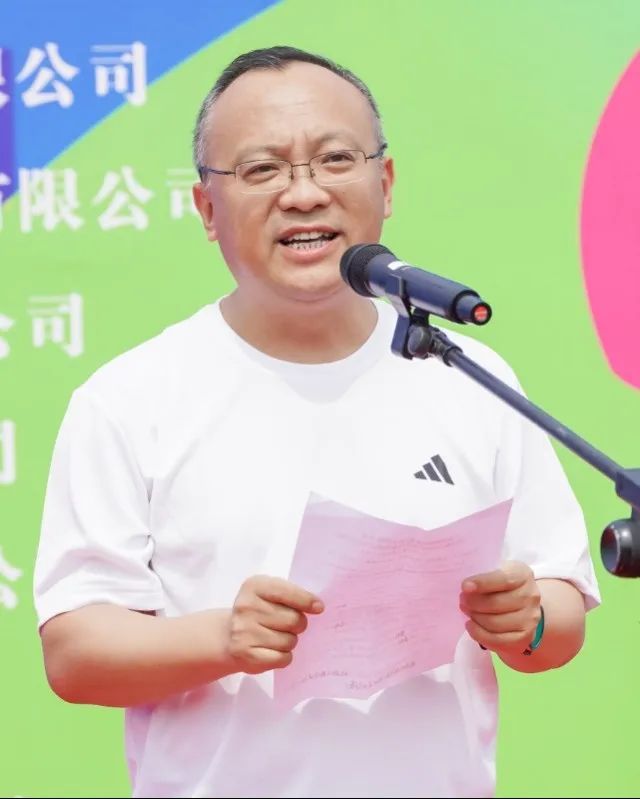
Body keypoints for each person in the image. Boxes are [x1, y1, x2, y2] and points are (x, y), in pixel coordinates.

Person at [33, 46, 600, 798]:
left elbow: (558, 616)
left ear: (385, 184)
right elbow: (74, 655)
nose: (303, 194)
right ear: (207, 209)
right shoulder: (130, 399)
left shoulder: (468, 375)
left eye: (335, 159)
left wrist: (526, 619)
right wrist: (223, 637)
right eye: (262, 169)